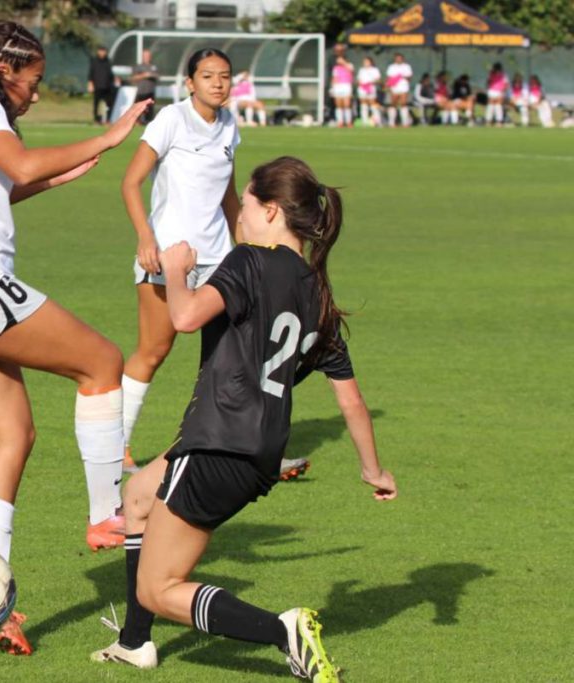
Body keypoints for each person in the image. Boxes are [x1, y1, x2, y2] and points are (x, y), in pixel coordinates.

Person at [0, 13, 151, 655]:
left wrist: (44, 181)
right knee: (100, 361)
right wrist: (110, 136)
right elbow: (21, 160)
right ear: (2, 68)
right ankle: (104, 515)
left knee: (10, 435)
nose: (36, 92)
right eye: (33, 79)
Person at [91, 156, 398, 679]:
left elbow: (185, 317)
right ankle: (135, 642)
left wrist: (175, 270)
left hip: (217, 442)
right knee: (139, 496)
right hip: (257, 454)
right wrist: (373, 471)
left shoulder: (250, 259)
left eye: (247, 204)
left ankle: (284, 632)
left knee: (159, 588)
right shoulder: (318, 296)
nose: (239, 215)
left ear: (273, 211)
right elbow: (351, 401)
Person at [120, 49, 240, 476]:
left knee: (229, 354)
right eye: (208, 76)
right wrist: (146, 238)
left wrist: (246, 247)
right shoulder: (171, 118)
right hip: (169, 255)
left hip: (218, 258)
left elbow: (228, 194)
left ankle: (231, 444)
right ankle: (117, 446)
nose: (218, 84)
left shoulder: (229, 124)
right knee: (154, 350)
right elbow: (131, 182)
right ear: (190, 83)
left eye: (224, 76)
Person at [88, 45, 118, 125]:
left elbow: (110, 74)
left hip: (107, 86)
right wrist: (90, 84)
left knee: (109, 104)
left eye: (104, 51)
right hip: (97, 86)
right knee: (96, 105)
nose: (102, 53)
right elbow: (91, 73)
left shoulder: (108, 61)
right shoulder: (94, 61)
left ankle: (108, 120)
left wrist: (115, 79)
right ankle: (97, 120)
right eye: (101, 51)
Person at [131, 49, 159, 124]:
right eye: (145, 56)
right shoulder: (138, 66)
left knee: (150, 110)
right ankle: (138, 122)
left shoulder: (153, 67)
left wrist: (151, 75)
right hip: (141, 92)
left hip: (150, 92)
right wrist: (144, 75)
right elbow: (133, 78)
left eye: (148, 56)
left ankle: (148, 122)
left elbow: (157, 76)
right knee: (140, 109)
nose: (147, 57)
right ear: (143, 57)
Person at [385, 53, 412, 127]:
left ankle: (405, 122)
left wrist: (402, 77)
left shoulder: (407, 66)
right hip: (394, 87)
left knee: (403, 103)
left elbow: (409, 77)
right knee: (393, 103)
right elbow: (389, 78)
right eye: (397, 58)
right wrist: (388, 86)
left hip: (403, 87)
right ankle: (392, 122)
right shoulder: (391, 67)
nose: (399, 59)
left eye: (400, 58)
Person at [356, 56, 382, 127]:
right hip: (362, 88)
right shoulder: (361, 70)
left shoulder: (374, 70)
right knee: (363, 104)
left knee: (373, 104)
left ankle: (378, 121)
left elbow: (378, 79)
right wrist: (360, 83)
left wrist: (370, 83)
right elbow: (359, 79)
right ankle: (364, 121)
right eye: (364, 62)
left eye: (367, 62)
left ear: (371, 62)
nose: (366, 63)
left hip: (371, 88)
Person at [330, 52, 354, 127]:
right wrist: (332, 88)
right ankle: (340, 121)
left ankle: (348, 121)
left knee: (347, 104)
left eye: (340, 59)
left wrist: (344, 63)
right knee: (339, 105)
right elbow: (334, 78)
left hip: (346, 85)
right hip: (338, 86)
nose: (338, 61)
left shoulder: (349, 65)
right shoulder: (336, 68)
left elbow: (351, 70)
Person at [486, 62, 508, 127]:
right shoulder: (493, 74)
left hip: (495, 91)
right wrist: (502, 91)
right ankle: (495, 121)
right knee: (494, 106)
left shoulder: (501, 74)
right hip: (495, 91)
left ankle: (491, 121)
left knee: (495, 106)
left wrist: (502, 92)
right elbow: (506, 84)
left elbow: (505, 84)